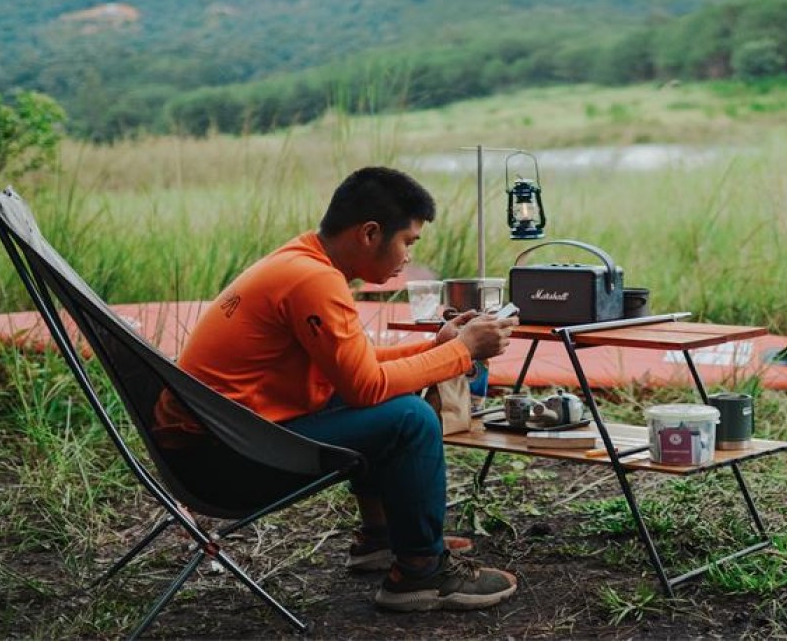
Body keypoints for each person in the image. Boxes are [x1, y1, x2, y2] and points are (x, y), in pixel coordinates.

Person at [153, 166, 520, 612]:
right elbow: (366, 386)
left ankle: (382, 539)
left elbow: (355, 367)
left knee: (383, 400)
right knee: (410, 419)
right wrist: (463, 352)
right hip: (226, 461)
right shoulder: (314, 280)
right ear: (369, 233)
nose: (408, 256)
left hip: (224, 439)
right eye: (408, 241)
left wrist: (436, 345)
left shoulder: (300, 260)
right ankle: (421, 572)